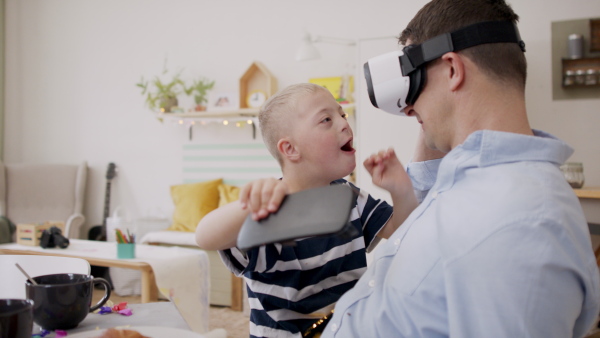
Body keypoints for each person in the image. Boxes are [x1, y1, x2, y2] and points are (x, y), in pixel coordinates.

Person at [321, 0, 600, 337]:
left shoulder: (520, 228)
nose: (408, 108)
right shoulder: (474, 177)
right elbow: (423, 192)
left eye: (414, 80)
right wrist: (427, 94)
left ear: (453, 70)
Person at [195, 83, 418, 337]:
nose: (344, 123)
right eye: (326, 119)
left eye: (342, 114)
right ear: (290, 149)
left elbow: (403, 229)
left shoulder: (349, 197)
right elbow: (204, 236)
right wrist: (248, 206)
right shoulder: (268, 214)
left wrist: (401, 191)